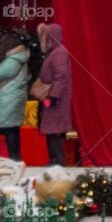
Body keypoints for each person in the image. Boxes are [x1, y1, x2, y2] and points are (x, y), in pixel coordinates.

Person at [34, 22, 72, 166]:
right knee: (51, 131)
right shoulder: (55, 52)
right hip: (52, 97)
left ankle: (58, 163)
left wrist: (54, 97)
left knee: (54, 132)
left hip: (56, 99)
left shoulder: (59, 52)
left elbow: (61, 76)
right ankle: (53, 161)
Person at [0, 33, 30, 161]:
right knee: (12, 130)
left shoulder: (13, 60)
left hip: (10, 98)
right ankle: (15, 159)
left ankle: (15, 160)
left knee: (10, 130)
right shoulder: (17, 58)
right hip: (12, 97)